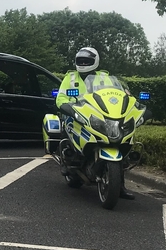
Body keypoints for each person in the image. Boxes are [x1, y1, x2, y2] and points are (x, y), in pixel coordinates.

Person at [56, 47, 135, 200]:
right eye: (81, 61)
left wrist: (128, 99)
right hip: (76, 114)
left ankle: (120, 186)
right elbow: (61, 98)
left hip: (98, 115)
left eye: (87, 61)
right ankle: (68, 161)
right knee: (68, 130)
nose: (84, 63)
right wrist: (67, 107)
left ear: (95, 62)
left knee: (117, 140)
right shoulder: (70, 78)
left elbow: (117, 95)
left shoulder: (105, 77)